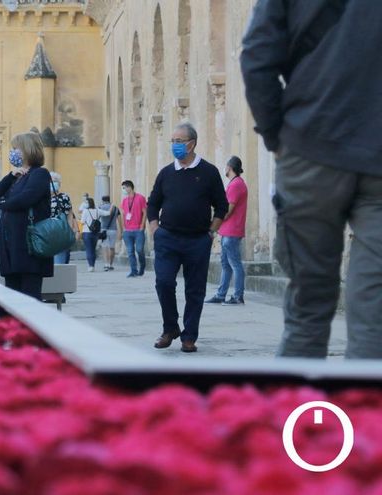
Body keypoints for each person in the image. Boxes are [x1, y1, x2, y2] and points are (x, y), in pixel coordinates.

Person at [242, 1, 382, 359]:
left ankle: (299, 396)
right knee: (375, 311)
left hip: (310, 147)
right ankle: (365, 395)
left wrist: (276, 136)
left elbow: (257, 57)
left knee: (307, 309)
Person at [148, 123, 228, 353]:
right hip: (168, 238)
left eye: (179, 141)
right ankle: (170, 328)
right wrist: (155, 229)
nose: (174, 145)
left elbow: (222, 206)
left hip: (197, 240)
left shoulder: (209, 172)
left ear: (191, 144)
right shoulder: (166, 173)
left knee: (195, 289)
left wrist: (211, 232)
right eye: (172, 141)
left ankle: (189, 336)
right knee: (163, 283)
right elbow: (153, 204)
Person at [0, 132, 53, 300]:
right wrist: (10, 177)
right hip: (11, 247)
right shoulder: (17, 177)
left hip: (29, 247)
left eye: (16, 148)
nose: (13, 152)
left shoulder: (40, 174)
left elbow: (25, 199)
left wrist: (2, 205)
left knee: (29, 298)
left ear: (28, 149)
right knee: (12, 297)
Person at [206, 156, 248, 306]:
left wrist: (215, 221)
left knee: (235, 264)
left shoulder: (236, 184)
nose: (225, 168)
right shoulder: (236, 183)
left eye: (226, 166)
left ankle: (238, 296)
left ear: (229, 167)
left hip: (232, 231)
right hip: (227, 231)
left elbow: (228, 210)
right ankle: (221, 294)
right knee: (226, 264)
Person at [120, 180, 147, 278]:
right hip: (127, 231)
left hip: (138, 230)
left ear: (129, 187)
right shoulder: (124, 200)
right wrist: (123, 227)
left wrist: (142, 226)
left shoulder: (140, 198)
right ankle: (133, 271)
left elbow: (145, 212)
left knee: (139, 250)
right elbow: (123, 214)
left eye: (124, 188)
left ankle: (142, 266)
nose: (123, 190)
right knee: (130, 251)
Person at [50, 172, 78, 264]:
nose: (53, 183)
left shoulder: (64, 197)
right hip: (46, 232)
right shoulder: (41, 197)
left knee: (59, 263)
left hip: (61, 233)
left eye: (55, 181)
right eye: (51, 181)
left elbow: (70, 215)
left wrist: (70, 230)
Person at [79, 197, 111, 272]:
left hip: (86, 232)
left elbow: (82, 222)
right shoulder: (97, 210)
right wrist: (112, 206)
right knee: (93, 249)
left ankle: (91, 266)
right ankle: (92, 265)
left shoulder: (85, 211)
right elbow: (108, 213)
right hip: (95, 233)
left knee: (88, 249)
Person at [98, 195, 122, 272]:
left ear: (103, 201)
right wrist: (121, 231)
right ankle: (111, 264)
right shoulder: (115, 208)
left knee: (105, 247)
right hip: (113, 230)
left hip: (103, 230)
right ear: (109, 200)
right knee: (112, 247)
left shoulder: (100, 207)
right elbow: (119, 220)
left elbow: (97, 218)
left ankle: (106, 264)